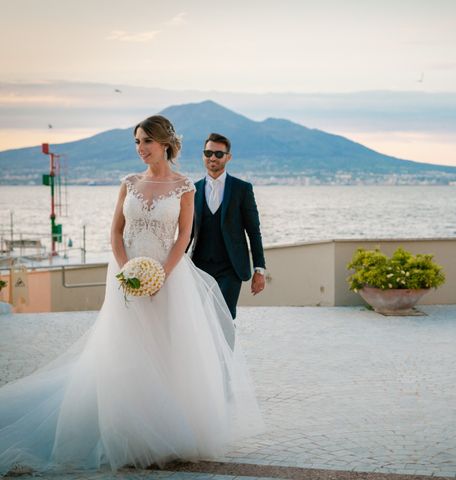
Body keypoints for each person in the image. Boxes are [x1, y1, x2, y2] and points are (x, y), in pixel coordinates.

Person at [0, 115, 263, 475]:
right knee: (124, 348)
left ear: (164, 144)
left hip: (168, 278)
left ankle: (165, 428)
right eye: (137, 142)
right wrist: (128, 272)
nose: (140, 149)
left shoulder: (186, 187)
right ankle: (123, 427)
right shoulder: (128, 183)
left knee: (164, 349)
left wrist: (160, 276)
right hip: (125, 276)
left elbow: (183, 237)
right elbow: (115, 233)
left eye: (146, 143)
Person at [189, 133, 266, 319]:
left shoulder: (242, 189)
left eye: (218, 154)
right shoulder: (192, 189)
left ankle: (226, 350)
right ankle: (205, 350)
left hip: (230, 267)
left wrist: (259, 270)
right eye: (208, 153)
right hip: (199, 266)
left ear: (228, 157)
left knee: (224, 317)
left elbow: (254, 232)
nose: (212, 158)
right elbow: (187, 232)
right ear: (203, 155)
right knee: (199, 318)